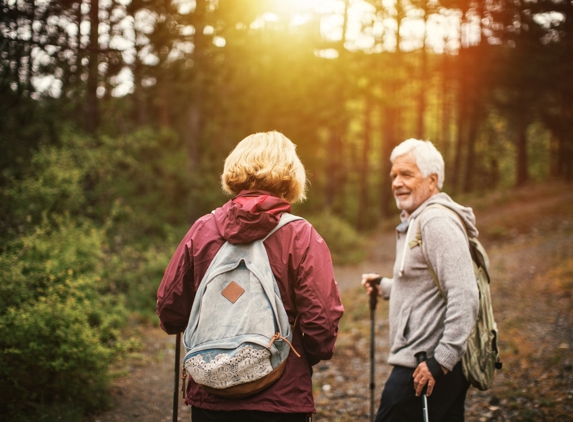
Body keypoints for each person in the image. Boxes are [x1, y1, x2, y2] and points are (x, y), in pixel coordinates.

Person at [157, 131, 344, 422]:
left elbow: (170, 312)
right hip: (280, 396)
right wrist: (301, 356)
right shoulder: (300, 235)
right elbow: (322, 322)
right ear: (290, 175)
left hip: (210, 392)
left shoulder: (203, 230)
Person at [362, 138, 479, 422]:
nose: (396, 183)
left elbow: (465, 293)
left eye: (406, 174)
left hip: (425, 365)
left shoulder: (435, 221)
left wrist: (441, 362)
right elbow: (426, 284)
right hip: (431, 364)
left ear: (432, 179)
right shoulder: (416, 218)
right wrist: (385, 287)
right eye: (393, 176)